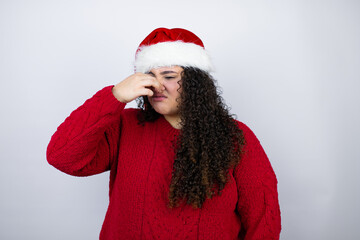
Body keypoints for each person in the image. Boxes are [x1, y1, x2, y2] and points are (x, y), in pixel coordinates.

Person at [46, 27, 281, 240]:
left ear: (195, 83)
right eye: (150, 77)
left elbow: (263, 218)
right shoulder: (124, 126)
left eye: (169, 76)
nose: (157, 86)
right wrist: (114, 95)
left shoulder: (234, 136)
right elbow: (62, 156)